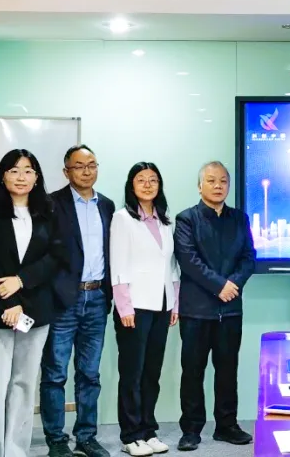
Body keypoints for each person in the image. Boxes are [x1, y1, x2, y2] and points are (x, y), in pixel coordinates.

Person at [0, 150, 65, 457]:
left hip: (36, 310)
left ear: (37, 177)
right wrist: (10, 302)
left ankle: (15, 450)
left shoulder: (49, 211)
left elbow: (56, 256)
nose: (21, 177)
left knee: (24, 383)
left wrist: (22, 282)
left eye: (28, 171)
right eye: (14, 170)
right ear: (3, 176)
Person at [175, 161, 256, 452]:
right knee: (192, 372)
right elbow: (188, 260)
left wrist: (233, 284)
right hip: (196, 311)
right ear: (200, 186)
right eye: (211, 181)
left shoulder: (239, 219)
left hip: (230, 310)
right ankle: (191, 429)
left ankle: (227, 425)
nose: (218, 186)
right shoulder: (186, 219)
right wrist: (219, 285)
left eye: (223, 181)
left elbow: (249, 257)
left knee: (227, 370)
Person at [41, 145, 115, 457]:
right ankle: (56, 441)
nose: (86, 171)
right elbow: (43, 251)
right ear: (66, 171)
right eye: (79, 166)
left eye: (92, 165)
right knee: (55, 373)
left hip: (97, 297)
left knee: (90, 374)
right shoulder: (50, 204)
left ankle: (86, 436)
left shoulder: (107, 205)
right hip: (63, 300)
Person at [111, 162, 181, 456]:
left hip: (162, 304)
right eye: (141, 180)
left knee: (152, 373)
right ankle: (131, 436)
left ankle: (148, 430)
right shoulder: (122, 218)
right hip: (134, 307)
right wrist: (124, 307)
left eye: (153, 180)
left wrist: (174, 302)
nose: (148, 184)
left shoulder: (165, 221)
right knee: (132, 373)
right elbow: (118, 265)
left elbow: (172, 266)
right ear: (132, 185)